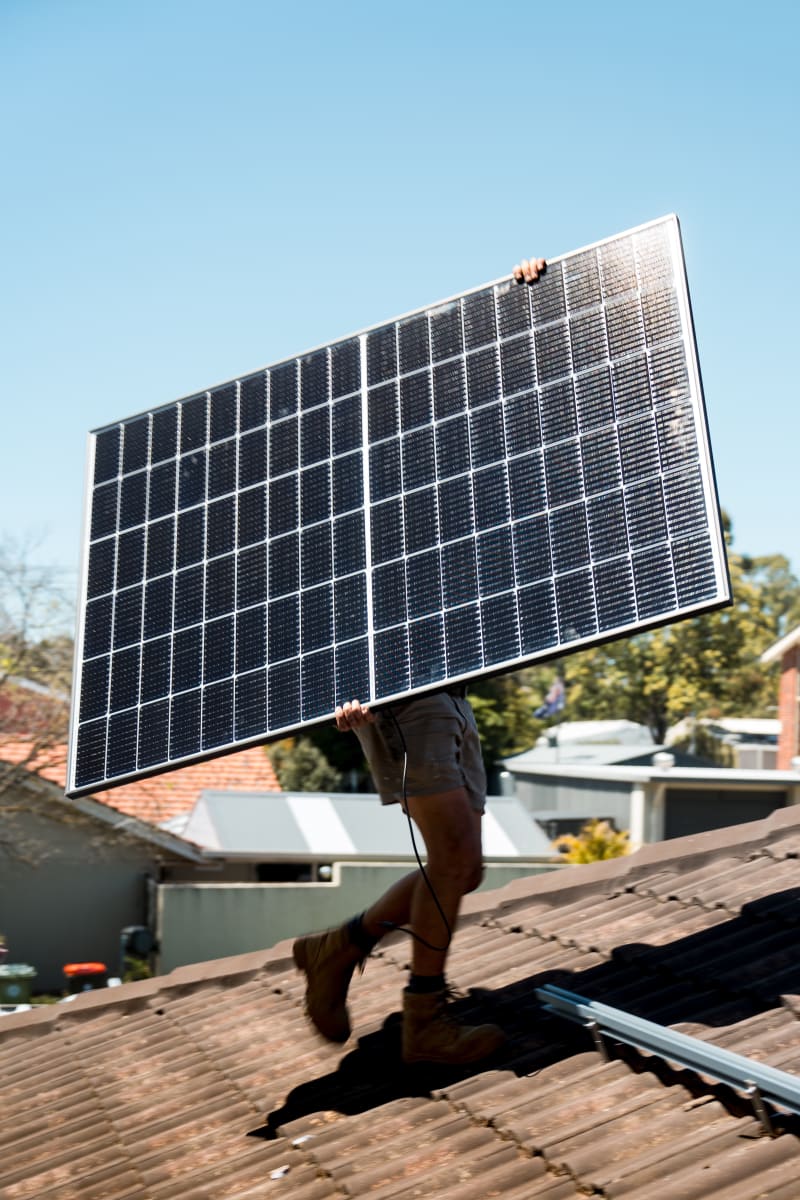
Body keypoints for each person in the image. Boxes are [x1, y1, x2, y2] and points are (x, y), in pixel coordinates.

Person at [292, 254, 547, 1065]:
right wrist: (341, 693)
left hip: (440, 679)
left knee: (460, 867)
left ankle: (339, 945)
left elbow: (508, 411)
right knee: (457, 858)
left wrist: (522, 304)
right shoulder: (355, 491)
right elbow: (309, 598)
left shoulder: (443, 481)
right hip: (401, 690)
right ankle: (422, 1020)